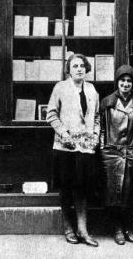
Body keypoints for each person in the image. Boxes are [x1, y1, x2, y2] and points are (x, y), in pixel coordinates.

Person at [46, 53, 100, 247]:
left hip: (85, 149)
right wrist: (64, 134)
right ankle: (68, 227)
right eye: (75, 66)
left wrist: (95, 136)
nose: (79, 69)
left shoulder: (92, 90)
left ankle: (83, 230)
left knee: (83, 189)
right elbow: (51, 114)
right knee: (66, 189)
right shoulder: (60, 88)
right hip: (65, 148)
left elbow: (97, 117)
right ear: (68, 70)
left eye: (82, 66)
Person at [99, 64, 133, 245]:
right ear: (117, 82)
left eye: (129, 81)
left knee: (130, 192)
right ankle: (117, 228)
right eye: (122, 81)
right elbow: (102, 128)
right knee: (113, 193)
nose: (125, 84)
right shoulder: (107, 102)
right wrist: (103, 149)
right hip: (112, 152)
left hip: (131, 152)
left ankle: (129, 228)